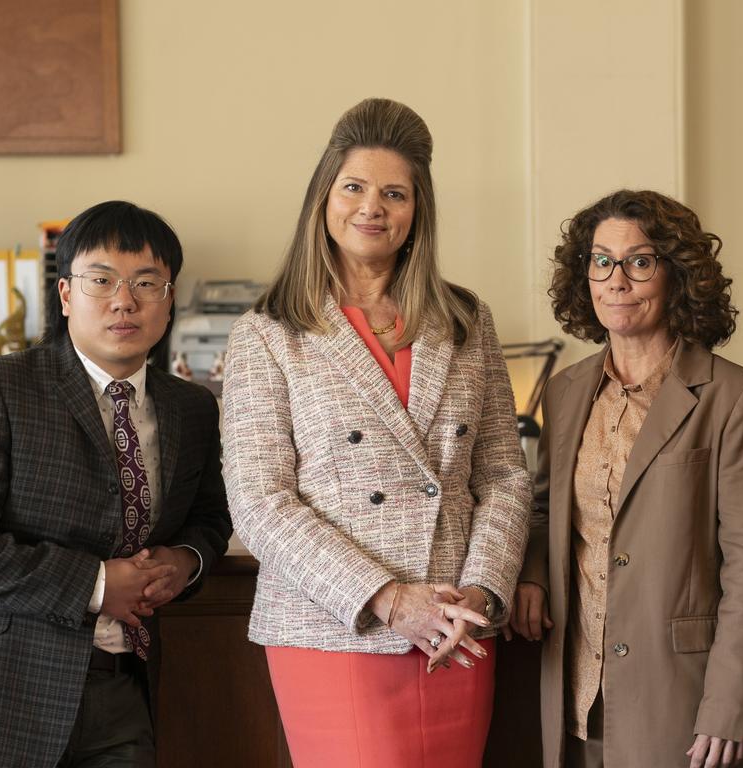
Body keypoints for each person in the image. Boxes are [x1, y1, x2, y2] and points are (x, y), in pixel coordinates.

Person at [222, 98, 531, 768]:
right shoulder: (267, 334)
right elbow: (259, 501)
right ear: (323, 197)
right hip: (335, 630)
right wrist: (387, 600)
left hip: (455, 629)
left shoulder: (465, 320)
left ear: (418, 210)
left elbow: (503, 471)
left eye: (395, 193)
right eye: (354, 188)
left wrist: (480, 591)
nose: (373, 208)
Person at [510, 189, 743, 767]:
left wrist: (730, 705)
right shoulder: (564, 390)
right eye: (601, 260)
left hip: (684, 702)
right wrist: (533, 572)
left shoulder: (735, 397)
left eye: (640, 260)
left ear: (677, 274)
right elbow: (542, 506)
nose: (617, 280)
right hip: (577, 693)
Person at [0, 200, 232, 767]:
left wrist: (185, 561)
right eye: (102, 280)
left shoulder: (191, 408)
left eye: (147, 282)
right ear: (67, 294)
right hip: (7, 692)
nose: (125, 300)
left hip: (126, 688)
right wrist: (96, 585)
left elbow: (212, 518)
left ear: (168, 302)